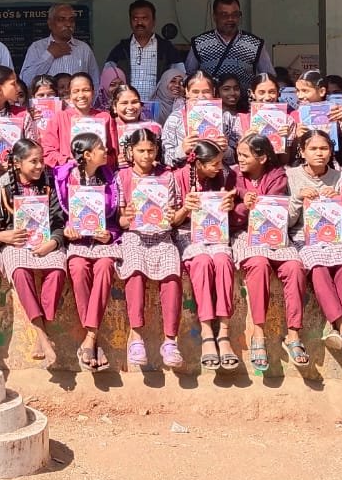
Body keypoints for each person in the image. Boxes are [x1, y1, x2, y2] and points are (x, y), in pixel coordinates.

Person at [286, 130, 342, 361]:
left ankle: (336, 326)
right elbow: (286, 222)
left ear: (331, 152)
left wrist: (338, 201)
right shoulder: (291, 176)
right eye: (313, 149)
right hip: (304, 237)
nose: (319, 153)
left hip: (333, 237)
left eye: (324, 149)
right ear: (302, 152)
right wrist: (298, 198)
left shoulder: (340, 178)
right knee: (318, 268)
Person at [114, 129, 187, 369]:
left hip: (162, 235)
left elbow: (174, 218)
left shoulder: (167, 176)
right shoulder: (122, 177)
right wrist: (128, 217)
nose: (146, 155)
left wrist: (173, 214)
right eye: (141, 150)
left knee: (172, 273)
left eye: (151, 150)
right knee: (134, 270)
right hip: (134, 235)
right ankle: (136, 337)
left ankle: (170, 341)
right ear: (131, 151)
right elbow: (121, 221)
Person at [231, 134, 305, 370]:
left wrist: (255, 204)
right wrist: (244, 206)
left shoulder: (277, 176)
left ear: (262, 158)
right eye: (239, 154)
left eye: (245, 155)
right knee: (258, 264)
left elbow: (274, 208)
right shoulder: (233, 175)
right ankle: (258, 333)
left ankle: (293, 334)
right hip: (245, 234)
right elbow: (230, 214)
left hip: (274, 232)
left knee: (295, 268)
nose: (240, 159)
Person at [0, 139, 68, 365]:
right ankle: (42, 334)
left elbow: (59, 222)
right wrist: (1, 236)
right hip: (15, 245)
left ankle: (43, 333)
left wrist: (53, 242)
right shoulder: (2, 187)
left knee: (57, 270)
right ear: (17, 163)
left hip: (46, 243)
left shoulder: (48, 183)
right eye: (33, 161)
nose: (39, 166)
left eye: (41, 160)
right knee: (20, 271)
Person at [57, 133, 121, 371]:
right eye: (101, 148)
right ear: (88, 155)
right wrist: (67, 230)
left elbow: (115, 219)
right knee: (77, 267)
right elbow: (57, 217)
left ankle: (89, 338)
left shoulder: (110, 179)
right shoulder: (64, 179)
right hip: (78, 243)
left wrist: (109, 235)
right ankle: (93, 338)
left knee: (105, 266)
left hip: (102, 243)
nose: (106, 151)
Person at [176, 141, 237, 370]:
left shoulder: (224, 176)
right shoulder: (177, 178)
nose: (220, 167)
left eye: (221, 162)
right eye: (214, 164)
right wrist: (186, 208)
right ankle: (206, 331)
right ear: (199, 163)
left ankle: (224, 331)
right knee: (201, 262)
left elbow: (235, 210)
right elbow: (171, 221)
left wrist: (230, 205)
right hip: (188, 233)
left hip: (216, 232)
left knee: (222, 261)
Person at [185, 0, 274, 88]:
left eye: (235, 15)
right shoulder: (199, 43)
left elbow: (269, 77)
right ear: (214, 17)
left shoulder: (255, 44)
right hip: (211, 97)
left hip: (244, 97)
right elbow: (188, 76)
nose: (230, 19)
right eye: (224, 15)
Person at [103, 0, 182, 101]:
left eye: (144, 18)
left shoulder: (167, 49)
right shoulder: (120, 50)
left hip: (159, 107)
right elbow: (106, 80)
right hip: (128, 106)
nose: (139, 22)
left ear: (154, 21)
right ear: (130, 22)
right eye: (135, 18)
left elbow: (181, 77)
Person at [40, 72, 116, 168]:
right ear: (70, 95)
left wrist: (100, 159)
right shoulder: (60, 117)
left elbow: (113, 153)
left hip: (99, 173)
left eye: (86, 90)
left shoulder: (104, 117)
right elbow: (48, 151)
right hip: (69, 173)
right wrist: (68, 161)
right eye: (76, 91)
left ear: (93, 92)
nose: (81, 95)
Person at [20, 4, 98, 88]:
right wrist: (49, 55)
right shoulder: (37, 47)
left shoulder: (84, 49)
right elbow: (26, 81)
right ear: (50, 24)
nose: (68, 24)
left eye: (71, 20)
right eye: (61, 19)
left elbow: (95, 82)